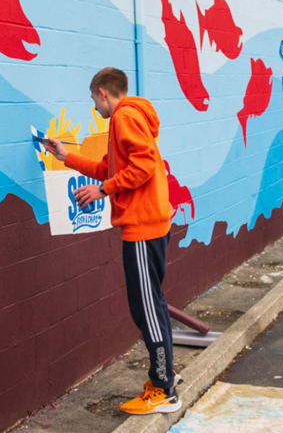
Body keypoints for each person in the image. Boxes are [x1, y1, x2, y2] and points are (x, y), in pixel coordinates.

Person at [43, 67, 181, 415]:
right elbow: (111, 167)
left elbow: (145, 166)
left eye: (93, 100)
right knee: (152, 306)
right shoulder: (128, 118)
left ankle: (164, 390)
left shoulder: (123, 118)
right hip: (150, 223)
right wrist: (65, 157)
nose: (94, 108)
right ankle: (163, 378)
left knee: (147, 310)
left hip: (142, 228)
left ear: (104, 93)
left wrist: (103, 191)